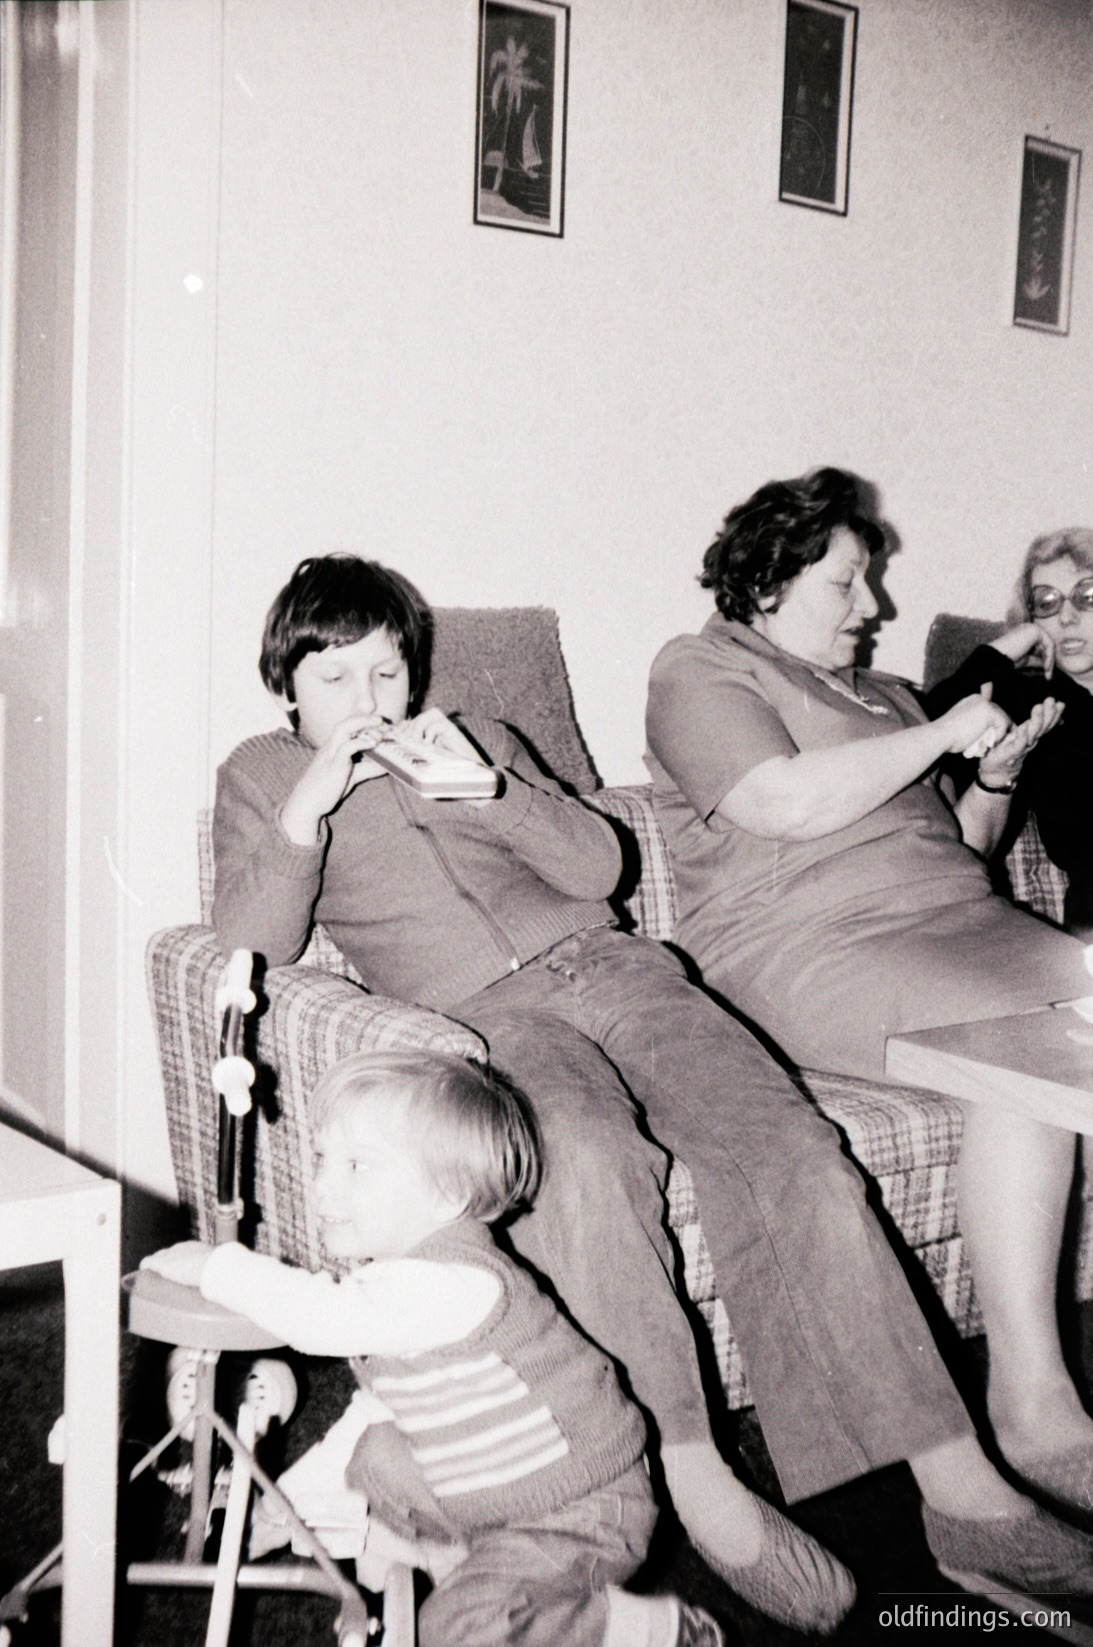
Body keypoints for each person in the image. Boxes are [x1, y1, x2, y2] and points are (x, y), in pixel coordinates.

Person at [213, 553, 1089, 1629]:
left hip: (614, 968)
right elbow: (247, 949)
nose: (370, 703)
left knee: (786, 1145)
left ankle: (957, 1488)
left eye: (388, 674)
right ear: (288, 682)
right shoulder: (258, 774)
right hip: (486, 1016)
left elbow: (599, 868)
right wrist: (305, 815)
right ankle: (691, 1472)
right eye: (338, 679)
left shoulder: (477, 735)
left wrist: (489, 791)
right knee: (581, 1155)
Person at [645, 465, 1093, 1542]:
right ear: (769, 578)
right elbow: (784, 803)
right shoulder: (701, 667)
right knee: (1062, 1009)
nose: (871, 607)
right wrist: (945, 738)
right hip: (808, 949)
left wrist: (990, 779)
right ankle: (1035, 1410)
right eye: (847, 582)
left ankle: (1032, 1402)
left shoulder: (887, 697)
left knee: (1033, 1049)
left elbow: (958, 850)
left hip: (953, 930)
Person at [142, 1049, 724, 1647]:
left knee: (454, 1629)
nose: (321, 1186)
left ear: (446, 1197)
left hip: (581, 1510)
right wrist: (281, 1508)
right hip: (500, 1492)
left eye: (357, 1167)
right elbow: (376, 1411)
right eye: (323, 1159)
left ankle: (648, 1631)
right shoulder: (400, 1285)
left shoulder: (453, 1283)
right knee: (375, 1455)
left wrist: (219, 1267)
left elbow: (316, 1317)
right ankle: (447, 1564)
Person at [925, 527, 1093, 939]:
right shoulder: (1028, 699)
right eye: (1046, 603)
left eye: (1087, 596)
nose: (1066, 617)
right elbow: (930, 719)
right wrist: (1012, 644)